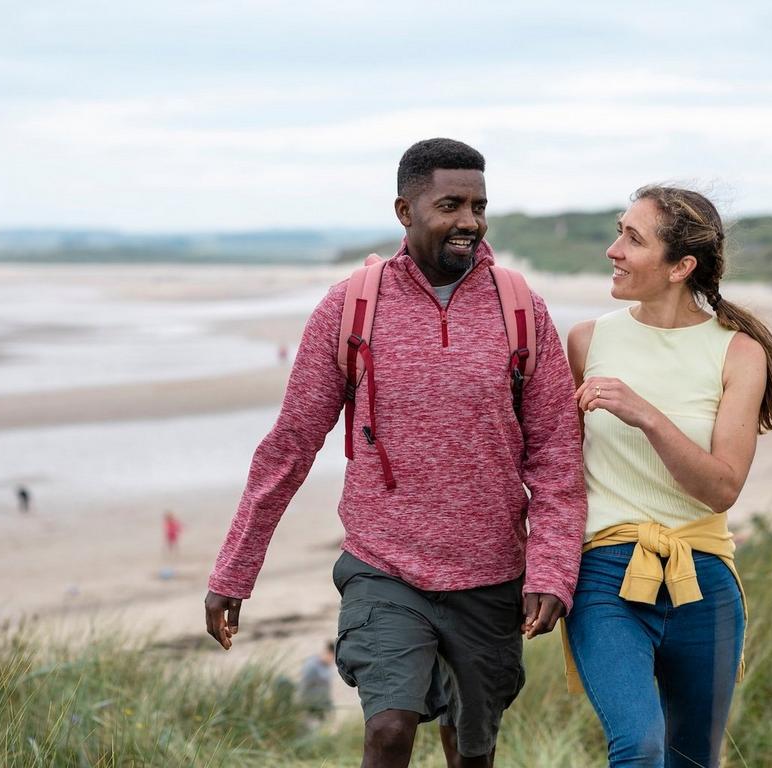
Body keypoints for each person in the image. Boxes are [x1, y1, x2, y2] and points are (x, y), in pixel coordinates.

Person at [204, 137, 587, 768]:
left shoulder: (522, 312)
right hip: (383, 565)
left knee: (471, 751)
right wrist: (234, 571)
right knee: (388, 730)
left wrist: (550, 571)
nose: (470, 221)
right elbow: (291, 444)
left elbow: (555, 456)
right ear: (405, 211)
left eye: (479, 205)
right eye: (451, 204)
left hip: (490, 571)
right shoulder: (352, 307)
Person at [564, 185, 772, 768]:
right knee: (641, 746)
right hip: (606, 576)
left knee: (693, 758)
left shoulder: (738, 354)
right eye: (618, 231)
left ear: (681, 267)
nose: (613, 250)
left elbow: (722, 486)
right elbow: (557, 474)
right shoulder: (586, 341)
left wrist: (645, 414)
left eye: (632, 238)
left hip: (703, 578)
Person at [297, 640, 337, 722]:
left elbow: (326, 688)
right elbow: (304, 687)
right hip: (310, 706)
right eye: (333, 658)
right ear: (328, 653)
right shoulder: (311, 666)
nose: (333, 661)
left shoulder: (327, 666)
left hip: (322, 706)